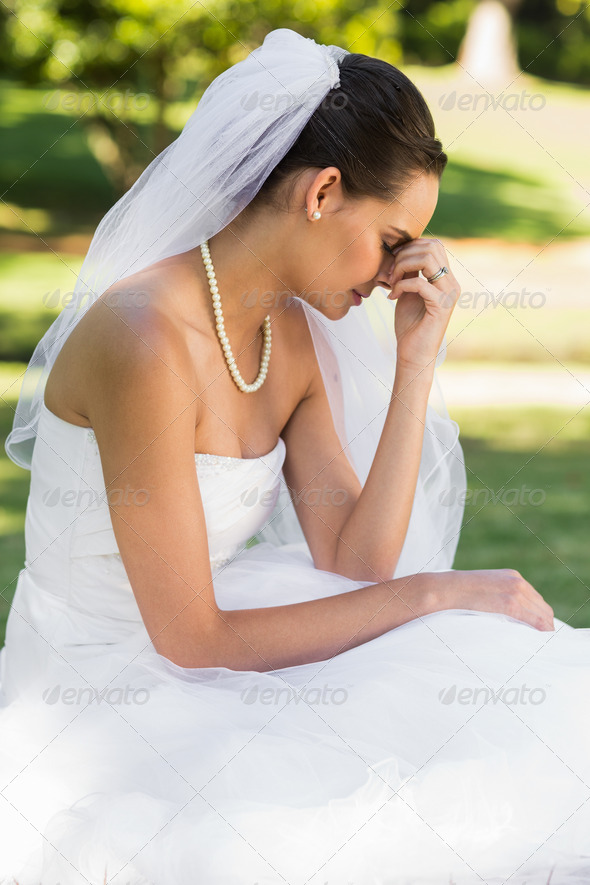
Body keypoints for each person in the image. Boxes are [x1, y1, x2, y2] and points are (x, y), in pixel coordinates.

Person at [1, 27, 589, 885]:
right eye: (392, 240)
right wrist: (435, 591)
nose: (398, 274)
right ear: (321, 192)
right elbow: (193, 638)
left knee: (531, 721)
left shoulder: (291, 333)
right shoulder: (145, 338)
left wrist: (416, 359)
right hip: (108, 681)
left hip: (209, 643)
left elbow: (354, 558)